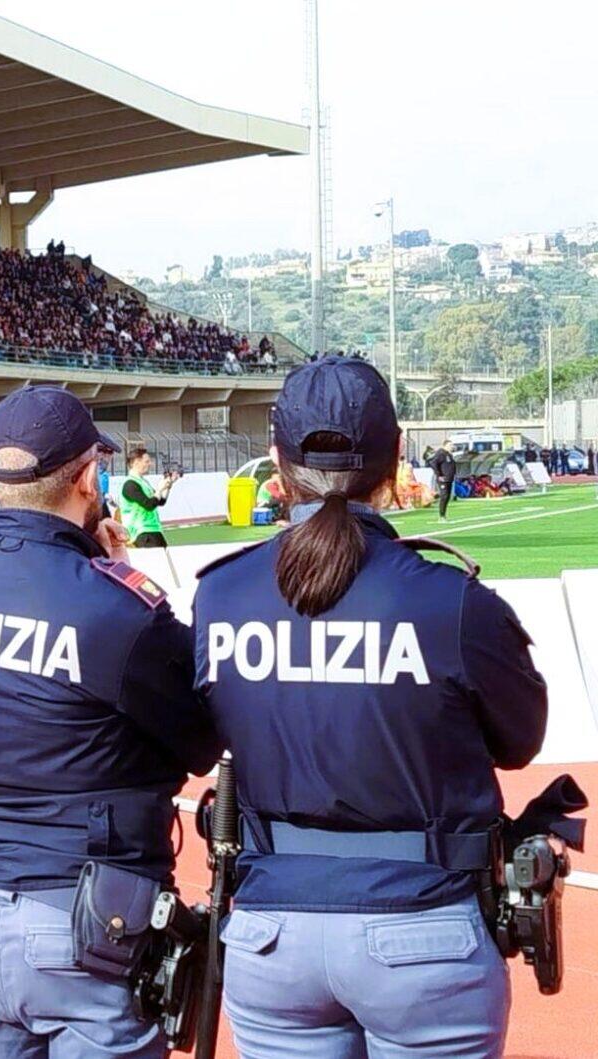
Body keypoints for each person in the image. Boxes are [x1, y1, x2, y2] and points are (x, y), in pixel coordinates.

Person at [191, 356, 547, 1059]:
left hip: (271, 934)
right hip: (424, 932)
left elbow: (203, 731)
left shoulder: (219, 596)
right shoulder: (451, 601)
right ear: (397, 460)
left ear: (275, 462)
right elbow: (521, 739)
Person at [0, 386, 219, 1058]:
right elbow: (201, 738)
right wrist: (112, 569)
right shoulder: (114, 606)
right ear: (88, 477)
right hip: (86, 925)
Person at [119, 446, 178, 547]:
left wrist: (168, 486)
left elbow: (159, 501)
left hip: (153, 530)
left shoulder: (143, 482)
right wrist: (159, 489)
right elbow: (149, 505)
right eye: (146, 461)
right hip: (142, 533)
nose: (150, 464)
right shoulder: (130, 484)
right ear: (136, 462)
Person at [428, 437, 457, 520]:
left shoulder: (449, 455)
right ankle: (441, 516)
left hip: (449, 479)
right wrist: (439, 475)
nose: (452, 447)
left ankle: (444, 514)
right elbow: (433, 463)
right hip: (443, 479)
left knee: (447, 496)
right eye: (450, 445)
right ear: (445, 445)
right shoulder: (441, 453)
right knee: (444, 496)